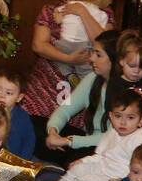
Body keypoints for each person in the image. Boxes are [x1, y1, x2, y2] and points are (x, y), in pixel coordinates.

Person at [23, 0, 112, 129]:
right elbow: (38, 45)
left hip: (86, 75)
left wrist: (83, 12)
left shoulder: (103, 11)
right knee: (36, 124)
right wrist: (68, 59)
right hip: (50, 77)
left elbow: (106, 43)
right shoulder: (51, 10)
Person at [40, 91, 142, 181]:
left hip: (116, 177)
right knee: (77, 169)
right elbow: (99, 155)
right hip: (102, 165)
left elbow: (138, 168)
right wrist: (83, 161)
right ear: (110, 116)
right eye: (118, 116)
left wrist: (122, 180)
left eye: (130, 118)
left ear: (141, 120)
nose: (123, 122)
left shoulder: (140, 140)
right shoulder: (112, 131)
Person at [41, 29, 122, 164]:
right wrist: (53, 131)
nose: (91, 58)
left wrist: (68, 141)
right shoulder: (93, 78)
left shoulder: (125, 91)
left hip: (106, 149)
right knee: (35, 125)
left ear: (114, 59)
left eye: (98, 55)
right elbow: (65, 109)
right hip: (83, 141)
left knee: (73, 159)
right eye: (92, 53)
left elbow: (113, 137)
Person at [50, 0, 113, 83]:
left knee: (58, 60)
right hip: (82, 46)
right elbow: (101, 36)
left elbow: (58, 12)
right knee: (86, 67)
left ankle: (68, 74)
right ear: (107, 2)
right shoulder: (103, 15)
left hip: (64, 43)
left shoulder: (74, 4)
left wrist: (59, 19)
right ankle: (83, 81)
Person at [0, 69, 36, 159]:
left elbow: (29, 142)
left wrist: (22, 162)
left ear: (19, 97)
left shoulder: (22, 117)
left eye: (8, 93)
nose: (2, 96)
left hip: (14, 160)